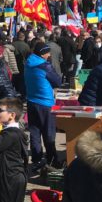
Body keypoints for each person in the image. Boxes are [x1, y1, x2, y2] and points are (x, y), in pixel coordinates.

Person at [23, 43, 62, 172]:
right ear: (42, 53)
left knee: (35, 131)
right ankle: (52, 159)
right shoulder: (45, 65)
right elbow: (58, 81)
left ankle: (36, 159)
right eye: (48, 53)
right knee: (49, 133)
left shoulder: (28, 63)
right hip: (45, 103)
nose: (49, 55)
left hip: (31, 101)